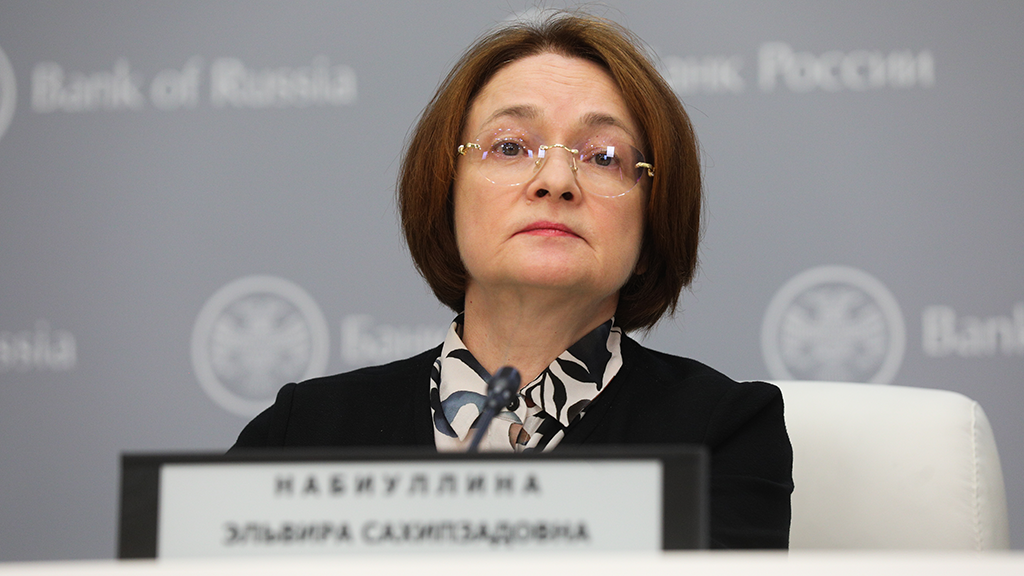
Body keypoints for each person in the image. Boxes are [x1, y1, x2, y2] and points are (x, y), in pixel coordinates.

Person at [232, 11, 793, 549]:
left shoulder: (720, 434)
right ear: (446, 197)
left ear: (652, 224)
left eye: (603, 157)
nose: (556, 179)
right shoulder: (303, 432)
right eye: (510, 147)